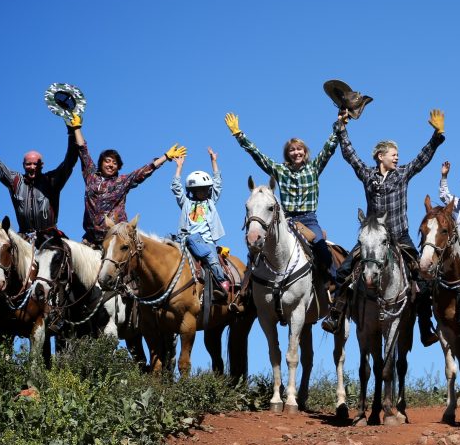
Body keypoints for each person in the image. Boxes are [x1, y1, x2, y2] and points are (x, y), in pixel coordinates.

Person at [324, 108, 446, 346]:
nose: (397, 157)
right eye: (393, 154)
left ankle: (424, 327)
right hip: (372, 240)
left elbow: (422, 158)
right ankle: (335, 314)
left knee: (423, 278)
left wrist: (437, 136)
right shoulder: (367, 175)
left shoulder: (402, 174)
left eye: (398, 154)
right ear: (380, 156)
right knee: (343, 271)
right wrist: (341, 128)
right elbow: (350, 155)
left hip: (400, 237)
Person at [227, 111, 339, 284]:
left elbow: (329, 148)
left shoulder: (314, 168)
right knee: (257, 250)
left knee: (322, 249)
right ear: (288, 154)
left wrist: (339, 126)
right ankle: (247, 290)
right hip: (286, 221)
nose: (296, 153)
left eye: (299, 149)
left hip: (309, 221)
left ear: (305, 152)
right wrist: (239, 135)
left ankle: (333, 284)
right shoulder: (280, 170)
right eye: (292, 150)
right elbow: (259, 156)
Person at [0, 105, 79, 239]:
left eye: (36, 164)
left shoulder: (52, 180)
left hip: (51, 239)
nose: (32, 167)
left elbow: (70, 161)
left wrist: (72, 132)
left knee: (68, 254)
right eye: (29, 164)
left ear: (42, 165)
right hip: (24, 238)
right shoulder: (15, 181)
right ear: (23, 165)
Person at [75, 125, 185, 246]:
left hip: (116, 238)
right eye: (107, 161)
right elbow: (83, 151)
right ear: (101, 163)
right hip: (90, 239)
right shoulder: (91, 176)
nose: (111, 165)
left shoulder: (121, 181)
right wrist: (76, 127)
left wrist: (166, 157)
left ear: (118, 167)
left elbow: (143, 171)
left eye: (115, 163)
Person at [172, 149, 230, 295]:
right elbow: (176, 188)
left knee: (212, 258)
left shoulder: (210, 202)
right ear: (192, 191)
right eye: (199, 190)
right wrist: (179, 167)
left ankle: (221, 281)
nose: (203, 192)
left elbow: (218, 183)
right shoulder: (186, 203)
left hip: (206, 241)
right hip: (187, 239)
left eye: (205, 189)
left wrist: (214, 161)